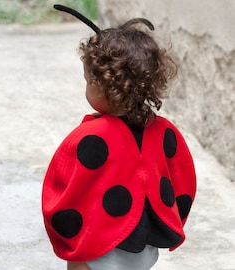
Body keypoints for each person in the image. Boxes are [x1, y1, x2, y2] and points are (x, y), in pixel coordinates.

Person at [42, 5, 196, 270]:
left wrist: (67, 238)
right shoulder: (164, 132)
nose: (86, 87)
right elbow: (183, 183)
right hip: (145, 248)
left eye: (88, 81)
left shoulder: (87, 137)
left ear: (106, 88)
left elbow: (63, 191)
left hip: (96, 247)